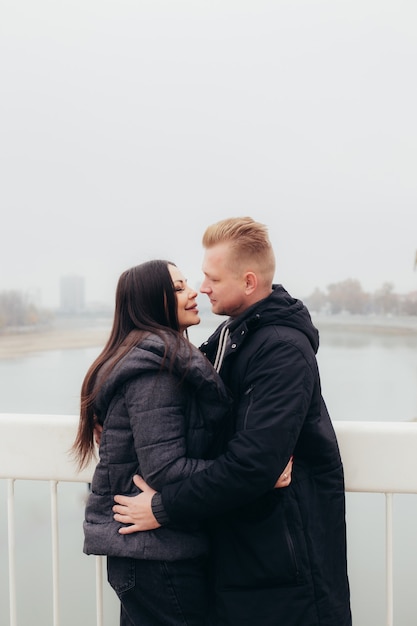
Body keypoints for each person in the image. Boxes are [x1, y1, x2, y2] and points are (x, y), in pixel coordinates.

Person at [112, 217, 352, 626]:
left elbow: (254, 464)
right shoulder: (232, 338)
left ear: (248, 282)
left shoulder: (280, 350)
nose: (202, 288)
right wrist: (114, 416)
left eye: (211, 279)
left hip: (287, 571)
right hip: (248, 559)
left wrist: (164, 507)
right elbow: (169, 399)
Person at [73, 258, 293, 626]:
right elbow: (165, 469)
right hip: (156, 558)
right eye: (177, 288)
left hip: (156, 552)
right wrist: (256, 477)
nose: (194, 292)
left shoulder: (161, 358)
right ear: (150, 301)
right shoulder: (155, 372)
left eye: (187, 283)